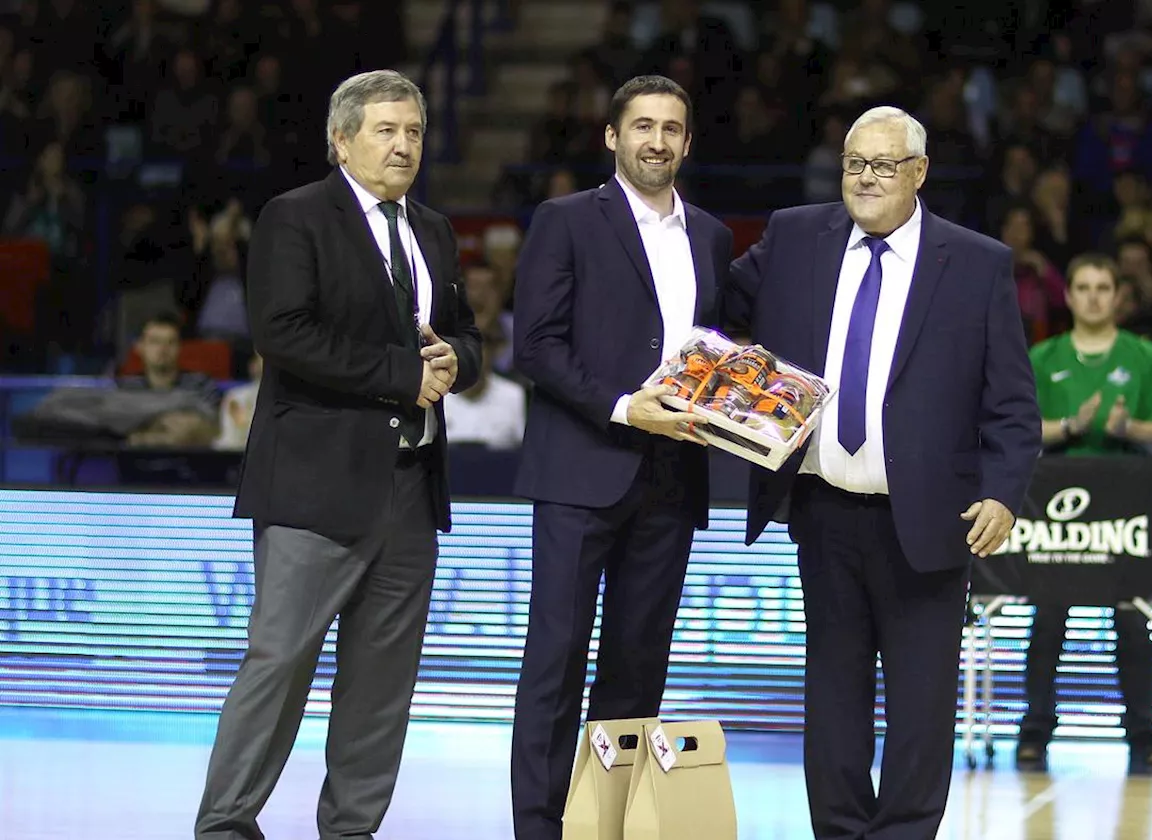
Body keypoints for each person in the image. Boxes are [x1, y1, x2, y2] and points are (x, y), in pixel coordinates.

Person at [723, 106, 1041, 839]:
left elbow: (1014, 404)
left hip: (932, 521)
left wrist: (1002, 492)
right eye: (854, 163)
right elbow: (718, 302)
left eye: (884, 164)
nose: (866, 178)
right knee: (833, 697)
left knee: (921, 705)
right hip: (823, 511)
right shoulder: (797, 237)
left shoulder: (977, 262)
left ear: (919, 173)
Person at [194, 69, 481, 840]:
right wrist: (404, 376)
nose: (403, 145)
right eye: (386, 130)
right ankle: (224, 826)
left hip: (411, 489)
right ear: (341, 139)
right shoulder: (295, 218)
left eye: (414, 131)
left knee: (382, 686)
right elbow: (284, 333)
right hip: (314, 488)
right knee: (278, 664)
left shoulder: (434, 231)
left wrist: (457, 358)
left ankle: (352, 830)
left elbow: (466, 332)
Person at [509, 74, 733, 840]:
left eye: (672, 128)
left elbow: (715, 356)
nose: (657, 141)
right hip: (580, 470)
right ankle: (538, 829)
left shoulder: (710, 235)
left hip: (671, 480)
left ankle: (602, 825)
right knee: (556, 665)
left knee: (638, 670)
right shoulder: (565, 219)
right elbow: (534, 345)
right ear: (612, 136)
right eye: (642, 126)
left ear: (688, 142)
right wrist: (619, 405)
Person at [1017, 253, 1152, 775]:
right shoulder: (1044, 356)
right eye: (1082, 286)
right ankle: (1035, 733)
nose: (1092, 296)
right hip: (1058, 515)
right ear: (1068, 296)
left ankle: (1142, 738)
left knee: (1133, 625)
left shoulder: (1146, 356)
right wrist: (1068, 425)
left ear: (1118, 296)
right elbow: (1021, 430)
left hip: (1126, 512)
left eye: (1102, 287)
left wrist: (1126, 427)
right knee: (1047, 623)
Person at [118, 311, 222, 448]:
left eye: (170, 342)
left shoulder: (202, 385)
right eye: (155, 341)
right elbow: (120, 432)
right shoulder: (126, 388)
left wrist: (147, 430)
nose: (163, 349)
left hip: (191, 466)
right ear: (139, 346)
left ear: (180, 347)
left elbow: (215, 431)